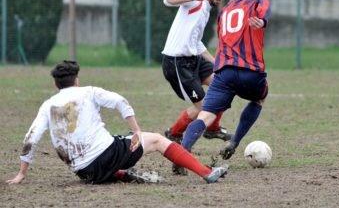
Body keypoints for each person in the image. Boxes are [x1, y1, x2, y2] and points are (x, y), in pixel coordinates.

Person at [6, 60, 228, 185]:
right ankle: (206, 172)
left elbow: (30, 138)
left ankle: (123, 175)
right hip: (106, 155)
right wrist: (137, 131)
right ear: (76, 80)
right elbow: (121, 101)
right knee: (158, 140)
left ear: (56, 85)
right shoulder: (89, 91)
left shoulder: (47, 105)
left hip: (83, 171)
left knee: (110, 147)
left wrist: (21, 174)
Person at [181, 0, 271, 160]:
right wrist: (261, 21)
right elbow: (264, 11)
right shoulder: (258, 2)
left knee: (205, 115)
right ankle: (234, 142)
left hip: (224, 73)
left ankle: (183, 152)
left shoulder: (224, 11)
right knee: (258, 100)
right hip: (251, 72)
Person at [161, 0, 232, 156]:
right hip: (177, 62)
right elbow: (168, 0)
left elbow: (197, 42)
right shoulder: (195, 0)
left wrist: (217, 64)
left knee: (224, 84)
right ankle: (177, 140)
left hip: (194, 59)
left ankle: (211, 129)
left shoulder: (206, 8)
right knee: (204, 109)